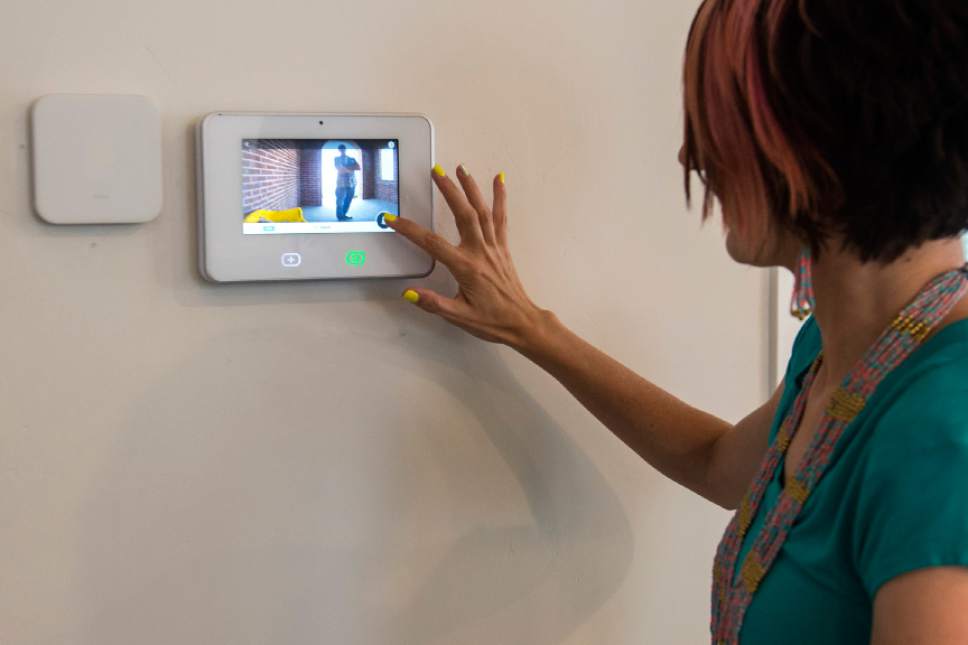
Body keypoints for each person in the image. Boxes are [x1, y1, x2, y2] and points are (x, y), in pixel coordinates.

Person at [383, 1, 968, 643]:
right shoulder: (850, 348)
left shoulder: (942, 427)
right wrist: (528, 325)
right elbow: (717, 463)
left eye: (721, 127)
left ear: (825, 143)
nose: (693, 156)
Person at [334, 144, 360, 221]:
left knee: (348, 200)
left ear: (345, 149)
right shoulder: (336, 159)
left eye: (344, 149)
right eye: (341, 149)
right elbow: (340, 169)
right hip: (341, 184)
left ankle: (344, 215)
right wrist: (352, 168)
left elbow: (358, 167)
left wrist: (346, 168)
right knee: (340, 201)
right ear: (339, 150)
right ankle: (340, 217)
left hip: (352, 183)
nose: (342, 150)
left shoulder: (352, 158)